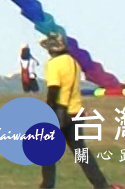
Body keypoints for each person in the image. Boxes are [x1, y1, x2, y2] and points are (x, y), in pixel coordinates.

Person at [40, 33, 110, 189]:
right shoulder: (74, 63)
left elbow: (54, 88)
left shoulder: (54, 64)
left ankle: (47, 185)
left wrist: (49, 108)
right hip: (77, 112)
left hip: (60, 112)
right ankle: (101, 184)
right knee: (81, 152)